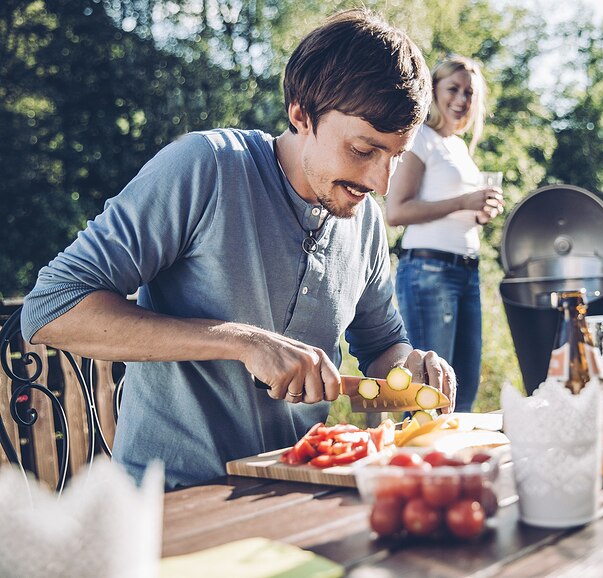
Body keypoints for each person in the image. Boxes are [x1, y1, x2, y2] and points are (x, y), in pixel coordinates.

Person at [19, 9, 456, 488]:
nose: (380, 181)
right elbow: (51, 309)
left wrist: (409, 372)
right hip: (171, 499)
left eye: (397, 155)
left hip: (297, 491)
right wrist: (241, 342)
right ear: (300, 116)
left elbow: (381, 348)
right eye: (363, 150)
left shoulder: (364, 218)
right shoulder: (206, 167)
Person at [386, 56, 504, 413]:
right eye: (452, 88)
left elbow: (456, 207)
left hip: (465, 271)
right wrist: (464, 200)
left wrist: (479, 212)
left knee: (460, 390)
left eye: (469, 92)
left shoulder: (457, 147)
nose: (461, 98)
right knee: (429, 395)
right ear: (433, 91)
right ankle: (418, 465)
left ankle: (453, 467)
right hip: (429, 272)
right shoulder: (421, 137)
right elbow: (397, 211)